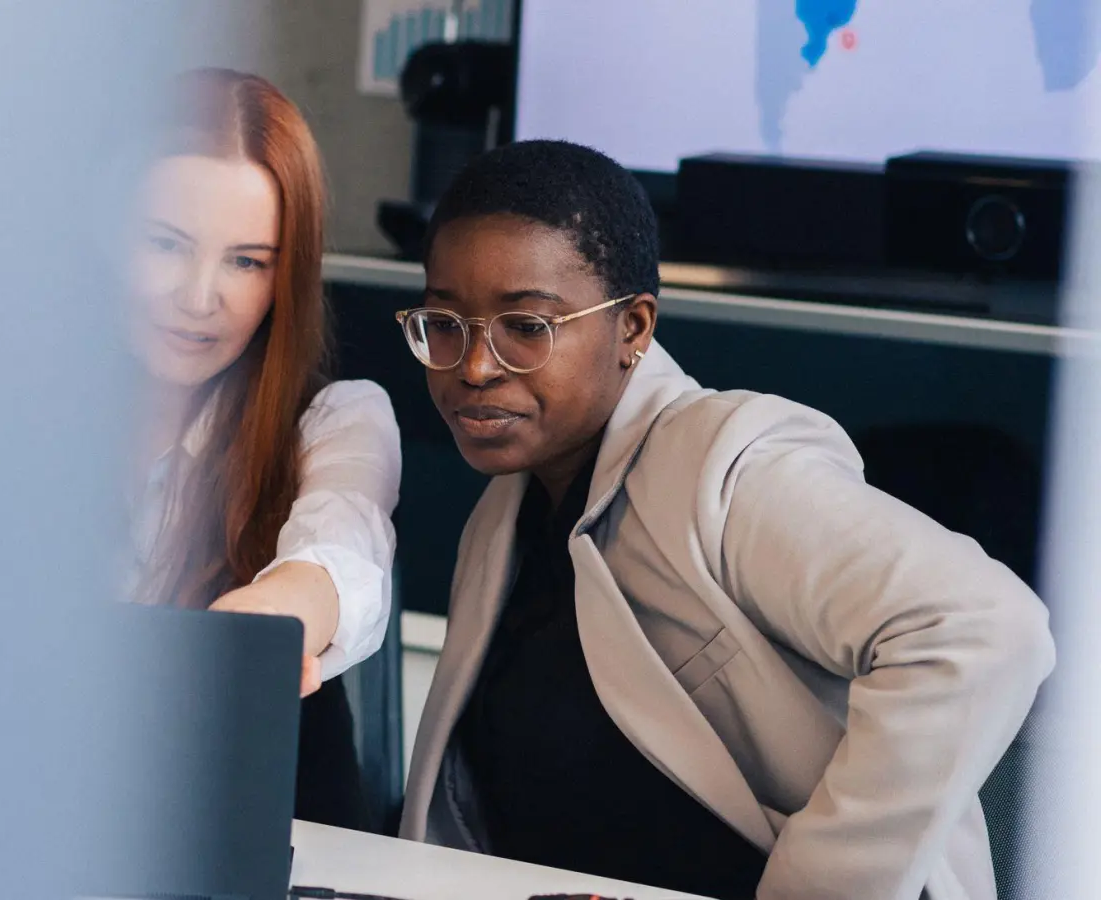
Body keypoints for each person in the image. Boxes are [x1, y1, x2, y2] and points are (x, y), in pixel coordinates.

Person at [395, 140, 1053, 899]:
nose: (474, 366)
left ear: (634, 329)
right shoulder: (507, 510)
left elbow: (984, 627)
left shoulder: (724, 464)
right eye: (444, 322)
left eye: (527, 327)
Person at [126, 69, 401, 831]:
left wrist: (272, 615)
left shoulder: (337, 419)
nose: (198, 297)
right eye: (165, 244)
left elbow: (340, 555)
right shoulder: (6, 419)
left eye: (247, 261)